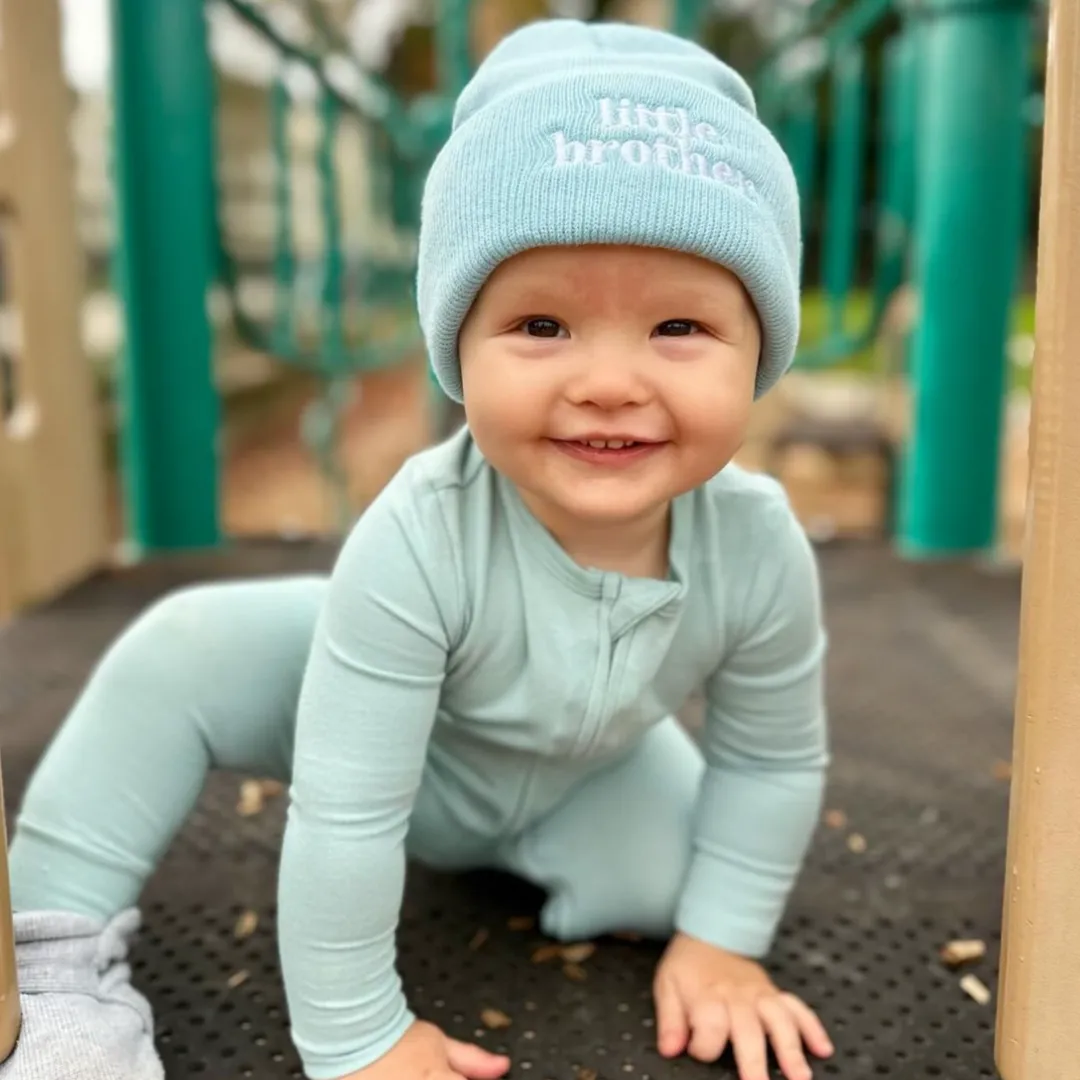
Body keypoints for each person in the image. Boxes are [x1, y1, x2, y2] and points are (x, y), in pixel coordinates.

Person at [3, 18, 833, 1080]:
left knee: (697, 884)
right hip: (384, 741)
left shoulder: (758, 547)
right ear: (457, 347)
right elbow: (346, 816)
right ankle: (55, 961)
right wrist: (357, 1039)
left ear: (762, 346)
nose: (611, 381)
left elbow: (769, 760)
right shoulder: (421, 534)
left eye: (679, 328)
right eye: (542, 327)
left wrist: (723, 945)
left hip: (585, 778)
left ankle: (619, 890)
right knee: (183, 649)